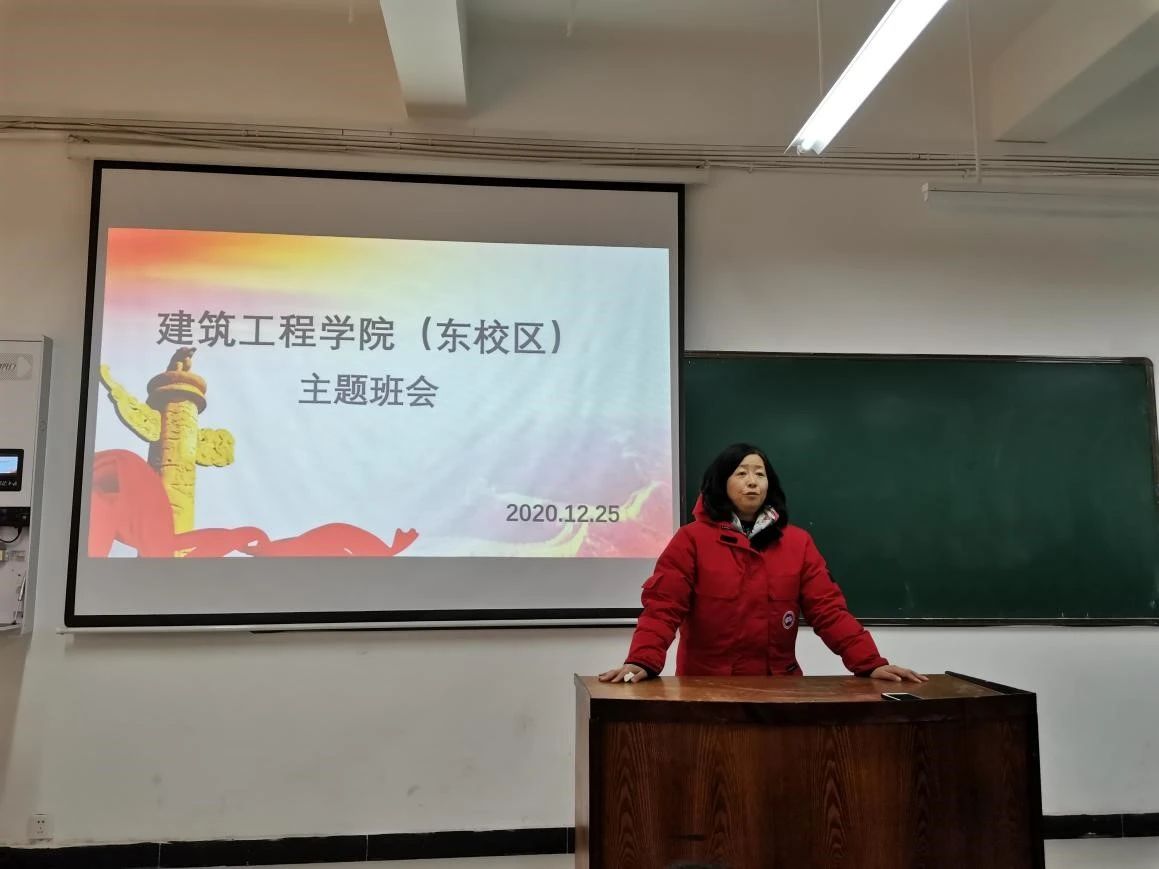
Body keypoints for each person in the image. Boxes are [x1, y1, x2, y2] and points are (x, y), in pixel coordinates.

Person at [600, 443, 925, 684]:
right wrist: (642, 661)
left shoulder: (797, 543)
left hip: (779, 690)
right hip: (705, 690)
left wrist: (870, 663)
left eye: (760, 474)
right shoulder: (691, 540)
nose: (752, 481)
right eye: (741, 473)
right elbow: (663, 608)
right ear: (721, 483)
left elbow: (828, 611)